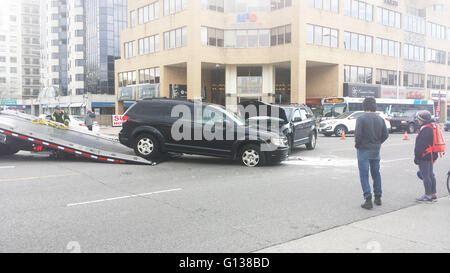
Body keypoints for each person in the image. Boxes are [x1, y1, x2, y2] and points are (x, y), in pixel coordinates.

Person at [355, 97, 389, 210]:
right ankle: (378, 197)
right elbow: (385, 135)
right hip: (376, 149)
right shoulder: (380, 119)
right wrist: (378, 143)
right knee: (376, 173)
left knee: (364, 175)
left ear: (364, 106)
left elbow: (358, 135)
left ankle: (368, 198)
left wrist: (357, 145)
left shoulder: (361, 119)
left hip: (364, 149)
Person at [414, 110, 438, 203]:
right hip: (431, 154)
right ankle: (433, 194)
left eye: (418, 118)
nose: (418, 120)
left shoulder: (425, 129)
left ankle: (428, 195)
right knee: (431, 174)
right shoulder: (432, 126)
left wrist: (417, 157)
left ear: (422, 119)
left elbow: (420, 146)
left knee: (426, 175)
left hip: (424, 156)